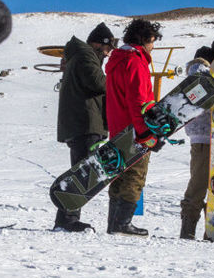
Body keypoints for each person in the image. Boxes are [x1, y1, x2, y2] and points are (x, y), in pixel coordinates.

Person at [53, 22, 116, 231]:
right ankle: (68, 219)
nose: (107, 55)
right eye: (107, 50)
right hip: (85, 123)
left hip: (82, 123)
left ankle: (67, 217)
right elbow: (99, 83)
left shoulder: (80, 55)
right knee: (82, 173)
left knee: (81, 171)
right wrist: (114, 83)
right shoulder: (85, 56)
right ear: (99, 44)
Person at [104, 19, 163, 236]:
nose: (152, 47)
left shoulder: (117, 61)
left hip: (117, 128)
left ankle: (114, 223)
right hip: (134, 130)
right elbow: (139, 102)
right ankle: (122, 223)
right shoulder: (135, 62)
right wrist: (146, 133)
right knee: (135, 175)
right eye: (152, 41)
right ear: (145, 39)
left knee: (119, 175)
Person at [179, 46, 214, 240]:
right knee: (201, 184)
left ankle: (192, 227)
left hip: (202, 137)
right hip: (205, 137)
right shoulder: (202, 76)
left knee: (200, 183)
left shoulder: (193, 78)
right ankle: (193, 228)